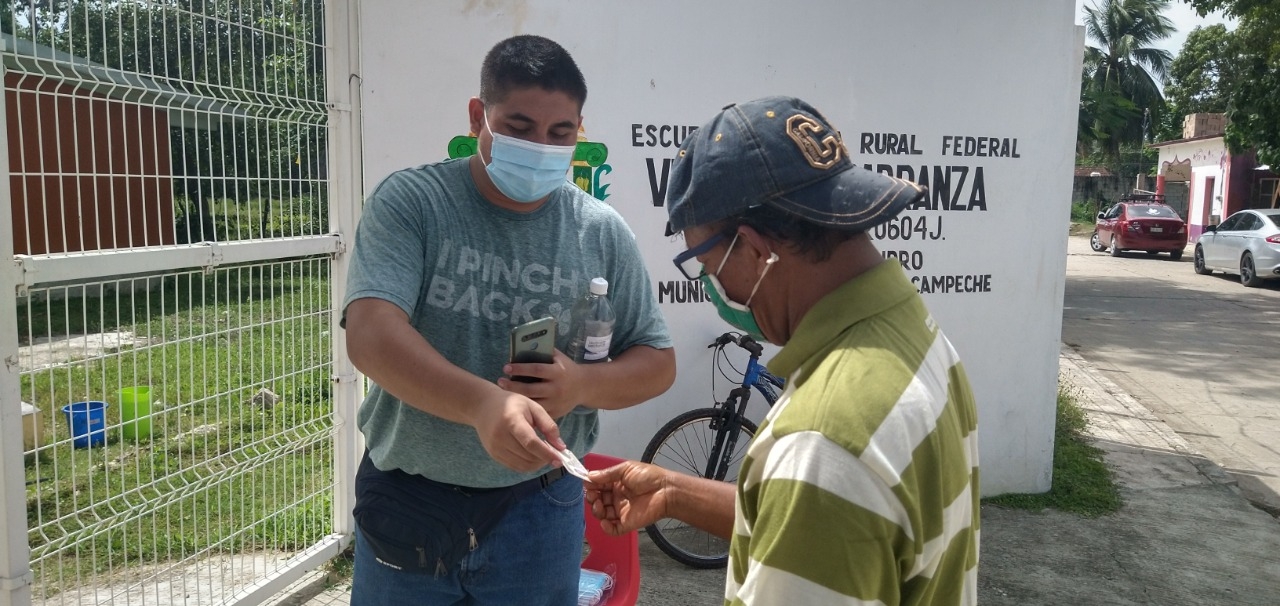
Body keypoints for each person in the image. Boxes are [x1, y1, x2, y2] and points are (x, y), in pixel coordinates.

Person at [586, 96, 981, 605]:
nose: (711, 284)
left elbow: (818, 486)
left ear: (753, 250)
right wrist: (674, 492)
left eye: (705, 265)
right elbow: (822, 511)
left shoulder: (825, 440)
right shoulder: (914, 339)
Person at [342, 35, 675, 605]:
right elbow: (371, 335)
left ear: (579, 130)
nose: (540, 146)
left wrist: (582, 385)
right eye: (518, 127)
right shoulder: (414, 203)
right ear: (479, 116)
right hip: (409, 503)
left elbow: (656, 362)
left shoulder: (600, 231)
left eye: (560, 133)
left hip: (539, 509)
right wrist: (482, 405)